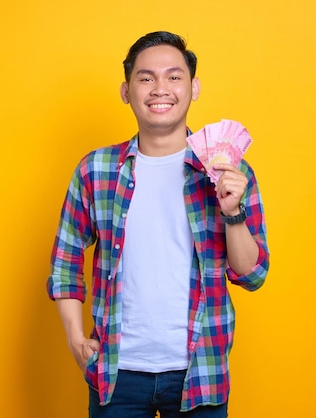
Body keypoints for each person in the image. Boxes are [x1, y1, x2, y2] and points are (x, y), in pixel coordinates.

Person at [47, 31, 270, 417]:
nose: (160, 88)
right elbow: (66, 260)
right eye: (146, 78)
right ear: (126, 90)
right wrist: (74, 338)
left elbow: (252, 274)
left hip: (200, 371)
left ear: (194, 87)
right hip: (117, 373)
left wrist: (233, 213)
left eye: (174, 76)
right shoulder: (96, 169)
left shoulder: (227, 170)